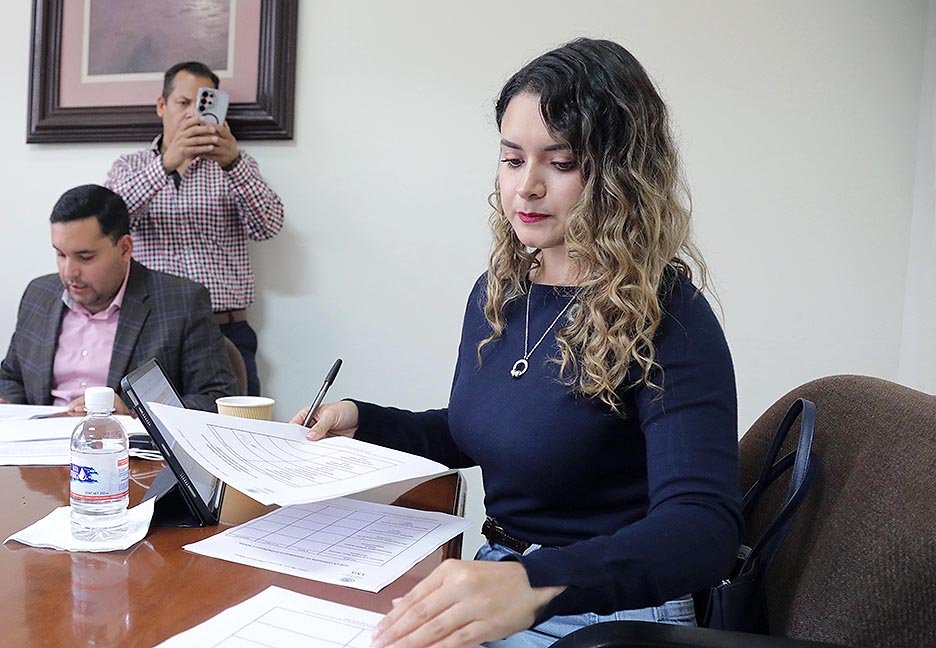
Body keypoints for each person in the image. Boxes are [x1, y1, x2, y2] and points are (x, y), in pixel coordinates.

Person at [292, 38, 743, 648]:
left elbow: (703, 531)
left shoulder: (670, 317)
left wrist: (533, 582)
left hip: (605, 614)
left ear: (623, 175)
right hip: (501, 575)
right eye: (511, 159)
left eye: (562, 163)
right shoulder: (500, 292)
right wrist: (363, 421)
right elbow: (489, 433)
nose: (526, 187)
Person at [106, 61, 284, 397]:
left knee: (237, 426)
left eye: (202, 104)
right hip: (150, 331)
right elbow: (108, 225)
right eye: (183, 102)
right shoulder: (129, 166)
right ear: (162, 105)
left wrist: (233, 164)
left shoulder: (235, 164)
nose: (192, 113)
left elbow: (269, 226)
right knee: (145, 425)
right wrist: (165, 164)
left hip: (225, 329)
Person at [0, 184, 239, 414]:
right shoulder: (39, 295)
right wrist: (8, 405)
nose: (69, 272)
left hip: (124, 440)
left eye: (85, 257)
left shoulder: (182, 302)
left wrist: (134, 414)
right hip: (39, 439)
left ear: (124, 248)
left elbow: (216, 398)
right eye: (61, 255)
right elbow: (10, 378)